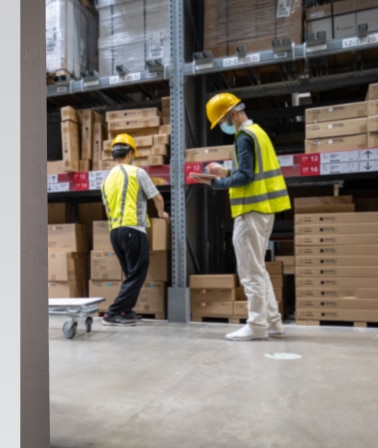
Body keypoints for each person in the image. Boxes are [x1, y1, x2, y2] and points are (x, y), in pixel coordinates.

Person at [192, 92, 291, 341]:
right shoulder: (258, 133)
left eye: (223, 121)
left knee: (249, 271)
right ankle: (273, 323)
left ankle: (257, 325)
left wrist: (216, 182)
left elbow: (245, 178)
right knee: (259, 269)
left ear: (232, 114)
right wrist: (225, 170)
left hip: (250, 211)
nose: (223, 126)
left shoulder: (243, 137)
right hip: (264, 209)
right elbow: (251, 171)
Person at [100, 133, 170, 326]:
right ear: (130, 153)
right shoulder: (136, 172)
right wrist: (162, 213)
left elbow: (107, 210)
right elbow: (156, 197)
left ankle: (126, 310)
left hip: (115, 232)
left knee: (131, 273)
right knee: (138, 271)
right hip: (132, 229)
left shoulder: (105, 180)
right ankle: (113, 313)